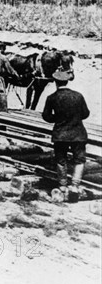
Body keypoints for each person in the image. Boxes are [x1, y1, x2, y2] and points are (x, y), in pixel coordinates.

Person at [42, 70, 90, 202]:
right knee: (79, 160)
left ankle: (62, 186)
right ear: (67, 81)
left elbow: (46, 116)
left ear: (56, 83)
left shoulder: (51, 97)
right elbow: (85, 114)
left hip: (60, 134)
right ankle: (75, 186)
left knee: (61, 160)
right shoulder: (78, 96)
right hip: (78, 133)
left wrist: (58, 118)